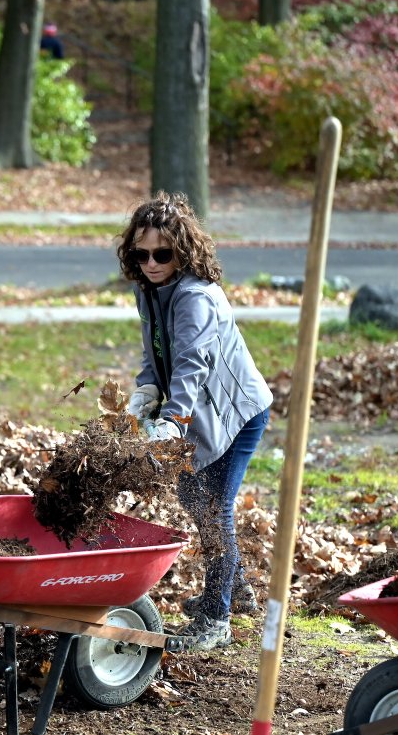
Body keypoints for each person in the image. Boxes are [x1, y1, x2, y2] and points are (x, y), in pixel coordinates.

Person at [117, 192, 273, 651]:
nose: (151, 263)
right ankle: (236, 589)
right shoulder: (149, 290)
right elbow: (155, 354)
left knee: (214, 509)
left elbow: (191, 366)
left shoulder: (195, 297)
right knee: (192, 494)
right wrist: (145, 392)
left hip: (237, 413)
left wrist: (172, 421)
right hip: (204, 413)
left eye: (162, 254)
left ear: (182, 250)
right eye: (141, 254)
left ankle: (216, 619)